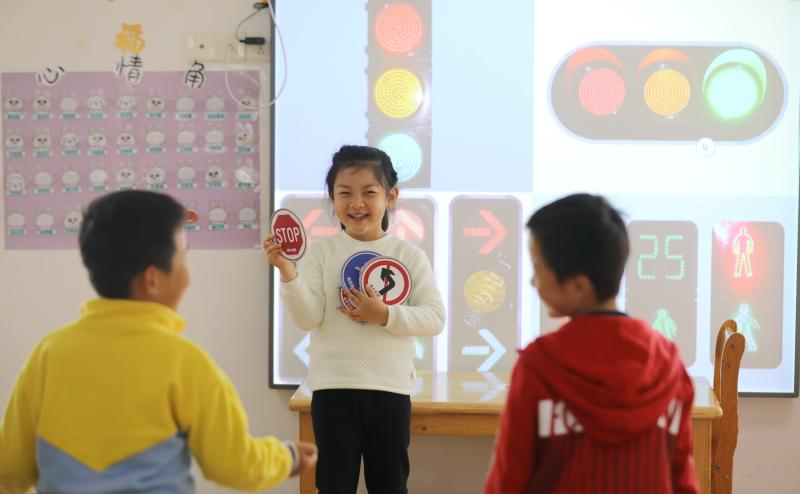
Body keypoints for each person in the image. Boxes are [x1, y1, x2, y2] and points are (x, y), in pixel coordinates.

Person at [0, 190, 317, 494]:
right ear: (153, 279)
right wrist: (287, 457)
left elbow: (10, 472)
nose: (188, 276)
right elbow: (234, 464)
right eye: (183, 259)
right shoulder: (185, 362)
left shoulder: (49, 354)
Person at [484, 193, 698, 494]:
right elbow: (683, 480)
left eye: (538, 268)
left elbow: (508, 481)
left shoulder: (539, 366)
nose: (533, 282)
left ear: (579, 286)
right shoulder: (669, 365)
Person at [265, 145, 445, 494]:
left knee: (390, 484)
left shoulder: (409, 255)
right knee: (333, 484)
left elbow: (434, 318)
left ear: (391, 197)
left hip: (390, 391)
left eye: (369, 192)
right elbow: (307, 317)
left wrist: (385, 315)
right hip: (332, 389)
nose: (356, 203)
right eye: (344, 193)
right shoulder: (321, 253)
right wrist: (288, 272)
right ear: (332, 198)